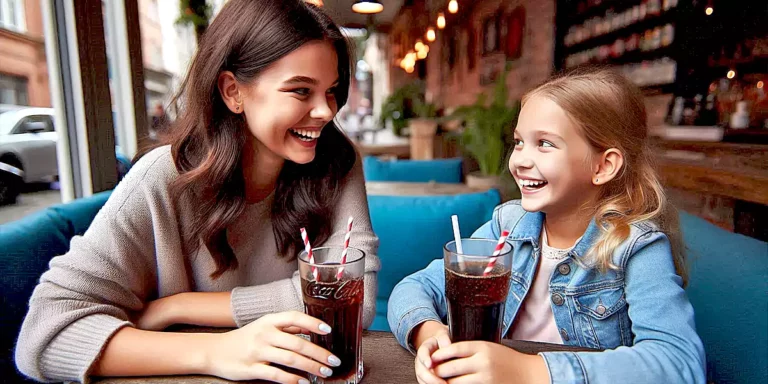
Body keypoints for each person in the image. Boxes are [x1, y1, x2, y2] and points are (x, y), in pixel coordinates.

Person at [15, 1, 380, 383]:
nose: (325, 111)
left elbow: (357, 298)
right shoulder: (163, 180)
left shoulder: (336, 161)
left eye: (332, 91)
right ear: (233, 91)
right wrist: (215, 351)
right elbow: (43, 335)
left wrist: (179, 307)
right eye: (301, 90)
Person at [387, 69, 705, 384]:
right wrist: (428, 333)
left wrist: (527, 372)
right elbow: (413, 288)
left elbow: (680, 364)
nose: (519, 160)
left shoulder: (635, 248)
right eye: (519, 142)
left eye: (544, 144)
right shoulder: (508, 226)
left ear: (603, 165)